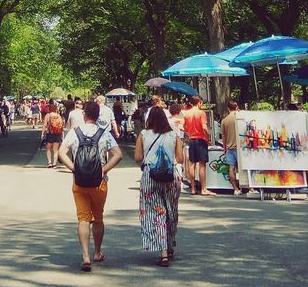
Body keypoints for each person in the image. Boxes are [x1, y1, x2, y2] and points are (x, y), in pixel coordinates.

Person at [57, 98, 123, 271]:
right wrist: (104, 170)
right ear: (98, 115)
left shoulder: (74, 132)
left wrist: (74, 168)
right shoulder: (104, 133)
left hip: (79, 182)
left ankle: (85, 256)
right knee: (98, 218)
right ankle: (97, 252)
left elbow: (61, 153)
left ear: (84, 114)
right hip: (99, 183)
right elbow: (118, 155)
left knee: (83, 219)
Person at [134, 104, 184, 265]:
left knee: (157, 212)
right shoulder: (173, 135)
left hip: (150, 176)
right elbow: (181, 159)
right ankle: (169, 245)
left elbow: (137, 157)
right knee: (171, 210)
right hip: (171, 176)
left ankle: (162, 251)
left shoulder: (143, 134)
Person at [182, 95, 213, 195]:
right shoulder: (201, 113)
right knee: (202, 165)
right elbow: (204, 127)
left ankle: (192, 188)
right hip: (201, 139)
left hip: (191, 139)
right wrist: (208, 137)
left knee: (192, 164)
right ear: (199, 102)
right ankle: (203, 188)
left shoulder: (186, 113)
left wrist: (190, 131)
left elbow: (184, 127)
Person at [220, 100, 243, 193]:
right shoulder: (240, 118)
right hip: (240, 147)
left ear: (228, 108)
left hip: (229, 147)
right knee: (242, 168)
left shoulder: (224, 121)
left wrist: (224, 148)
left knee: (231, 168)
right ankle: (249, 188)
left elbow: (223, 136)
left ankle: (235, 188)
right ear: (236, 106)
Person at [42, 103, 65, 167]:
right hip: (58, 133)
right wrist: (62, 134)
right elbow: (61, 125)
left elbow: (44, 125)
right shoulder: (58, 115)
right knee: (56, 150)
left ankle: (49, 162)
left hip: (50, 133)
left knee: (48, 148)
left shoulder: (48, 115)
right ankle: (54, 164)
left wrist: (42, 133)